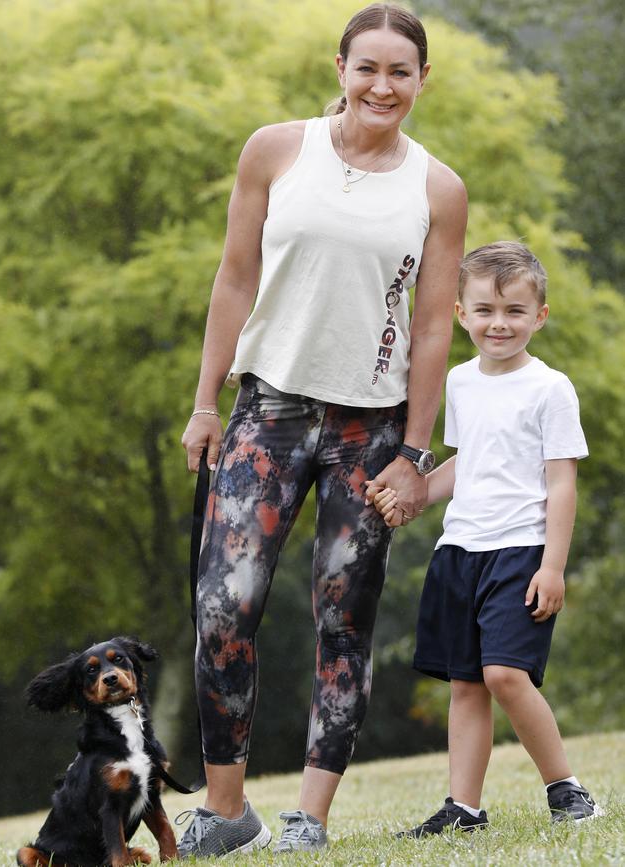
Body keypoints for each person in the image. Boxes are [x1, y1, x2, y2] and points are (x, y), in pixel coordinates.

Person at [178, 3, 467, 857]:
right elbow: (234, 279)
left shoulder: (437, 188)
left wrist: (415, 455)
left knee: (344, 614)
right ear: (338, 66)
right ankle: (228, 813)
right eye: (367, 67)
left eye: (401, 72)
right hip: (265, 412)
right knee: (224, 608)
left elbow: (432, 330)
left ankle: (310, 816)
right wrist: (203, 402)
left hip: (368, 431)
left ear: (421, 81)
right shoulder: (275, 150)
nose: (383, 85)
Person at [373, 241, 603, 837]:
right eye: (484, 311)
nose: (498, 324)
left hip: (522, 551)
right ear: (460, 314)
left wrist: (552, 567)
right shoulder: (458, 381)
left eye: (514, 312)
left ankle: (567, 790)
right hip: (459, 551)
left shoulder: (551, 389)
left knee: (505, 674)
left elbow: (562, 482)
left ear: (540, 316)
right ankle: (464, 809)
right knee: (467, 682)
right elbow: (467, 461)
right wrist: (418, 493)